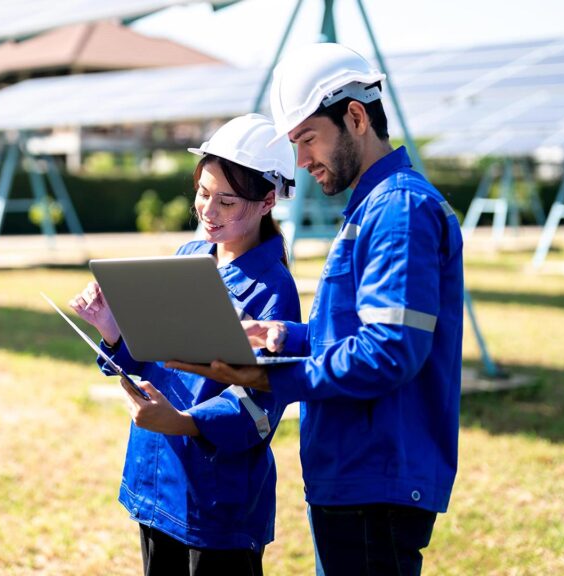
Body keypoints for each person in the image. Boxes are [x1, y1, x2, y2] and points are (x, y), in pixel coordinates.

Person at [167, 43, 465, 575]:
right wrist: (282, 336)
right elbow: (362, 335)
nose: (301, 162)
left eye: (307, 140)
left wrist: (263, 377)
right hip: (357, 473)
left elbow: (390, 352)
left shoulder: (398, 209)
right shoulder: (376, 206)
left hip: (375, 476)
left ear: (355, 117)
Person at [69, 113, 300, 576]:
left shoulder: (275, 291)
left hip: (216, 502)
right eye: (203, 193)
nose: (208, 211)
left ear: (267, 200)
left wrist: (183, 421)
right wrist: (112, 331)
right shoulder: (187, 258)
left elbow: (259, 406)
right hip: (157, 478)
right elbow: (154, 355)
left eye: (227, 201)